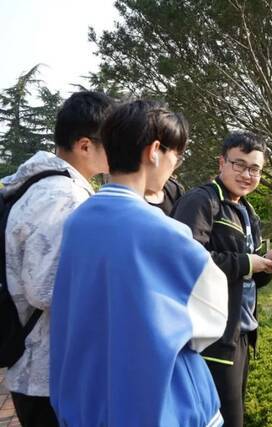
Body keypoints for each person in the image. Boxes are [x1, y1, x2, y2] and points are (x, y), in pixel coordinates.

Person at [49, 100, 229, 426]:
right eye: (176, 155)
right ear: (155, 151)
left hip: (87, 398)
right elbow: (211, 320)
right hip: (158, 402)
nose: (175, 165)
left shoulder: (77, 222)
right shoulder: (167, 234)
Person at [1, 91, 114, 427]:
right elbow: (44, 287)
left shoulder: (38, 183)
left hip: (41, 367)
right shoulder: (61, 196)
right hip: (46, 373)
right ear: (84, 145)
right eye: (113, 141)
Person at [172, 131, 272, 427]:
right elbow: (185, 261)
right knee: (222, 420)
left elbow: (244, 281)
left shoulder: (248, 212)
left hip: (241, 333)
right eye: (239, 165)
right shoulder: (201, 201)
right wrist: (248, 262)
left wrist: (264, 268)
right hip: (211, 337)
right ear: (221, 162)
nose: (247, 175)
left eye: (255, 169)